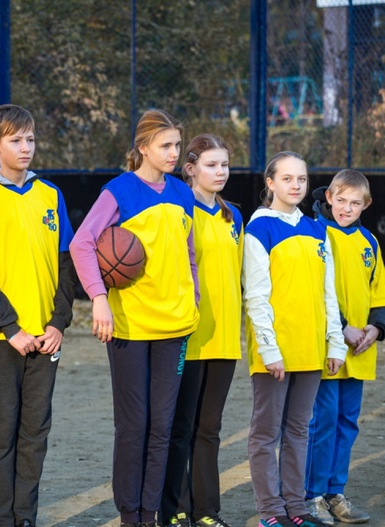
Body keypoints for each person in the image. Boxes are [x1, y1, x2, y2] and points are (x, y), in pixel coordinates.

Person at [69, 108, 198, 527]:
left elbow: (189, 254)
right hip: (129, 325)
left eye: (177, 145)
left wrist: (193, 299)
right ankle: (130, 514)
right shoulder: (119, 191)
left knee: (162, 426)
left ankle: (150, 513)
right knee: (134, 424)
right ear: (143, 147)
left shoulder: (182, 193)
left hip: (175, 326)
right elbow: (82, 243)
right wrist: (98, 298)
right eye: (166, 146)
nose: (174, 153)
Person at [0, 104, 76, 527]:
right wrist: (10, 328)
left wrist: (57, 323)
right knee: (0, 437)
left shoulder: (51, 195)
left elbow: (67, 266)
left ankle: (24, 518)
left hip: (45, 338)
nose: (25, 147)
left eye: (30, 139)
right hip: (2, 340)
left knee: (34, 434)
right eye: (15, 140)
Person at [243, 151, 347, 527]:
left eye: (301, 179)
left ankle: (296, 507)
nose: (296, 185)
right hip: (276, 352)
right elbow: (256, 297)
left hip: (311, 349)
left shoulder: (318, 229)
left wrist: (335, 342)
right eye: (286, 178)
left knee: (299, 431)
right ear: (270, 183)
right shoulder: (259, 228)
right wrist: (269, 349)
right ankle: (270, 511)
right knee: (266, 434)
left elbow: (328, 294)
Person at [160, 134, 243, 527]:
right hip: (188, 335)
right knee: (181, 428)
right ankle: (174, 509)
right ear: (190, 169)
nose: (220, 172)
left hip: (224, 338)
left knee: (210, 429)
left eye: (224, 164)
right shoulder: (179, 210)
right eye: (211, 165)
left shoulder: (234, 216)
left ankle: (207, 511)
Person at [304, 170, 385, 525]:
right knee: (322, 421)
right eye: (341, 201)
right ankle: (312, 495)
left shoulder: (369, 242)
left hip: (360, 350)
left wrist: (376, 328)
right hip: (328, 347)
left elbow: (378, 291)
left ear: (366, 205)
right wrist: (341, 327)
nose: (347, 208)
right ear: (329, 198)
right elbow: (311, 289)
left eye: (355, 203)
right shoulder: (313, 233)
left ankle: (335, 493)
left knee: (347, 422)